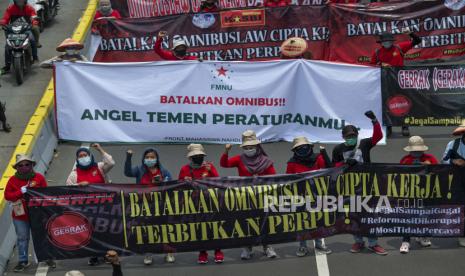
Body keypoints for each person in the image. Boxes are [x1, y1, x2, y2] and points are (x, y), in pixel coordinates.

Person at [332, 111, 387, 255]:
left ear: (357, 135)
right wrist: (344, 163)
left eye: (353, 135)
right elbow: (333, 168)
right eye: (348, 136)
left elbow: (378, 137)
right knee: (354, 216)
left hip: (367, 186)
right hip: (349, 188)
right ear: (343, 137)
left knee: (370, 216)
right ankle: (358, 242)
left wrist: (374, 120)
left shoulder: (364, 144)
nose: (351, 138)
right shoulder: (338, 149)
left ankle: (373, 243)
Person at [220, 130, 278, 260]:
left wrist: (261, 181)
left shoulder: (266, 161)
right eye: (246, 147)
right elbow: (224, 164)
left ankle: (267, 247)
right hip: (245, 197)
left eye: (250, 147)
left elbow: (273, 178)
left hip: (262, 197)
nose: (248, 149)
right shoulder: (240, 159)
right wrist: (226, 151)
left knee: (264, 222)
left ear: (257, 147)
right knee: (246, 222)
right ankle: (247, 248)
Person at [66, 144, 115, 265]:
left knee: (104, 230)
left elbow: (111, 163)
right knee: (90, 232)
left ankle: (106, 254)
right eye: (80, 156)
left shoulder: (99, 167)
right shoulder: (74, 174)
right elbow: (67, 189)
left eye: (85, 155)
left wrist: (100, 150)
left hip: (104, 206)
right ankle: (93, 256)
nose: (83, 157)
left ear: (90, 156)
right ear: (77, 159)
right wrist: (78, 185)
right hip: (86, 208)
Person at [124, 148, 175, 264]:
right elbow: (127, 172)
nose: (150, 159)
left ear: (156, 159)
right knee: (147, 230)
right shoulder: (139, 170)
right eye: (147, 157)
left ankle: (169, 253)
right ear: (143, 159)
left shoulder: (164, 171)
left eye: (152, 157)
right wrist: (128, 157)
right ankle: (148, 254)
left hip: (161, 206)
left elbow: (171, 185)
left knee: (164, 229)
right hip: (144, 206)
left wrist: (163, 182)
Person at [286, 136, 332, 256]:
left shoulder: (319, 158)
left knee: (318, 220)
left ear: (310, 147)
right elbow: (288, 180)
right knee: (301, 222)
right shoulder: (292, 163)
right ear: (295, 151)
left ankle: (318, 244)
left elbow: (329, 169)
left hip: (317, 196)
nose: (303, 149)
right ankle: (302, 246)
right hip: (300, 197)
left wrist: (324, 153)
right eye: (299, 148)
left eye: (305, 147)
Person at [178, 144, 224, 264]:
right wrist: (185, 181)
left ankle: (218, 251)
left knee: (214, 227)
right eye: (195, 156)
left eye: (200, 155)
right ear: (190, 158)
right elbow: (179, 186)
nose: (198, 157)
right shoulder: (184, 169)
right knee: (200, 228)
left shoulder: (209, 166)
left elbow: (218, 182)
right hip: (195, 203)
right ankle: (202, 252)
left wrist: (209, 172)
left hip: (210, 201)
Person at [4, 154, 51, 272]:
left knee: (41, 236)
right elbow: (7, 196)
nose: (24, 166)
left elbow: (46, 194)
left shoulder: (39, 178)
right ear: (17, 167)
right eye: (21, 165)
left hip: (37, 214)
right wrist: (20, 192)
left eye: (27, 164)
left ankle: (46, 258)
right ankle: (23, 261)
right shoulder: (12, 180)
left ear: (31, 165)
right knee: (22, 238)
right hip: (20, 216)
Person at [371, 31, 421, 138]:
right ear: (381, 42)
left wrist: (411, 33)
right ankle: (389, 127)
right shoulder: (377, 53)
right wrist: (380, 64)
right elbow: (370, 66)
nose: (387, 43)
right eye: (385, 41)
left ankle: (405, 126)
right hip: (385, 82)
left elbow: (418, 41)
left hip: (400, 81)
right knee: (387, 103)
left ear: (392, 41)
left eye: (389, 41)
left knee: (403, 102)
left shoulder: (399, 48)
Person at [398, 136, 437, 253]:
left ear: (423, 150)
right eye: (414, 151)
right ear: (410, 150)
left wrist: (429, 166)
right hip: (410, 193)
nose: (416, 153)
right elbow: (399, 176)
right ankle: (406, 241)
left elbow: (439, 172)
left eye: (418, 151)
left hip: (426, 193)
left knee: (425, 215)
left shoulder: (430, 158)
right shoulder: (405, 160)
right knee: (409, 216)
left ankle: (422, 236)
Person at [0, 0, 41, 74]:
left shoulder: (30, 8)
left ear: (25, 1)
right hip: (13, 30)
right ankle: (7, 66)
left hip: (26, 29)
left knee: (32, 40)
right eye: (18, 0)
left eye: (21, 0)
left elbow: (33, 16)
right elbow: (5, 17)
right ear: (15, 1)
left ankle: (35, 57)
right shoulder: (11, 8)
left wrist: (34, 22)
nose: (20, 2)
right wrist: (3, 22)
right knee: (7, 46)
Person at [442, 119, 465, 247]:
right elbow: (444, 160)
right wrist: (453, 162)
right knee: (461, 207)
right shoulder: (453, 144)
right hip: (458, 180)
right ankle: (462, 235)